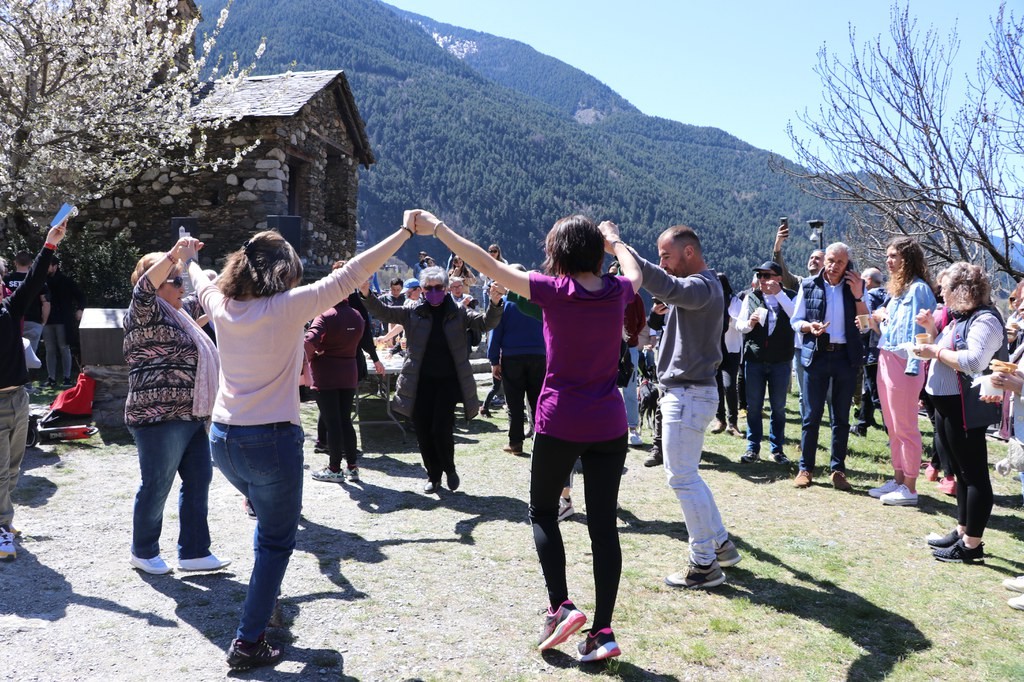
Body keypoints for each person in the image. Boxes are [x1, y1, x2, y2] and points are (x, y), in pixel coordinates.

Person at [183, 221, 415, 671]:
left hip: (223, 439)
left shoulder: (222, 304)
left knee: (266, 521)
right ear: (282, 273)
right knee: (276, 540)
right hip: (270, 440)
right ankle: (249, 641)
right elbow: (352, 273)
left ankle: (264, 599)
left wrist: (188, 257)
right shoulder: (288, 307)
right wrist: (404, 232)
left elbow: (200, 280)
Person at [423, 210, 638, 662]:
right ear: (595, 252)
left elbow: (486, 264)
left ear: (557, 252)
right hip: (609, 424)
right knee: (604, 527)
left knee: (542, 512)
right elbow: (635, 272)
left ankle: (561, 606)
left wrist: (439, 229)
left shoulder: (552, 290)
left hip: (561, 422)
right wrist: (615, 240)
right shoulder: (618, 290)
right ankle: (603, 632)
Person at [605, 222, 741, 590]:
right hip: (691, 393)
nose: (663, 262)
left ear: (689, 252)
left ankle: (704, 564)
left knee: (682, 478)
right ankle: (721, 545)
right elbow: (659, 276)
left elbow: (662, 282)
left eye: (667, 255)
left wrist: (617, 243)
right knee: (689, 476)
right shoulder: (706, 285)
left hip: (687, 394)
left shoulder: (700, 287)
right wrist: (620, 247)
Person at [123, 243, 230, 576]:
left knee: (199, 479)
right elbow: (144, 288)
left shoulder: (179, 311)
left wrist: (240, 265)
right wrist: (174, 255)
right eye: (175, 280)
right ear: (157, 284)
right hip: (159, 416)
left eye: (182, 280)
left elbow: (211, 293)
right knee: (157, 484)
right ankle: (143, 551)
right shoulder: (144, 310)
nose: (183, 287)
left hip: (191, 414)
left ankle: (194, 552)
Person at [363, 265, 503, 493]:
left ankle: (449, 468)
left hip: (448, 382)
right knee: (423, 430)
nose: (434, 292)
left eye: (438, 287)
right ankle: (433, 476)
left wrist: (495, 304)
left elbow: (485, 322)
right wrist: (366, 294)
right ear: (422, 289)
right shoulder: (412, 311)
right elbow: (384, 312)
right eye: (429, 288)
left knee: (441, 428)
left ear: (446, 288)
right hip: (419, 382)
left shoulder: (459, 312)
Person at [915, 262, 1007, 563]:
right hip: (948, 405)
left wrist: (935, 352)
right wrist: (932, 334)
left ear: (963, 290)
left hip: (965, 407)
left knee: (974, 474)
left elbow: (974, 362)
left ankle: (971, 545)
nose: (941, 294)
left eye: (945, 289)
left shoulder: (986, 320)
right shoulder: (963, 317)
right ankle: (962, 530)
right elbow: (949, 350)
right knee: (962, 474)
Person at [0, 220, 67, 560]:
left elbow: (34, 280)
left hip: (19, 399)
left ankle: (2, 519)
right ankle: (1, 526)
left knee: (13, 469)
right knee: (0, 472)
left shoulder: (8, 309)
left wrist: (50, 244)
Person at [790, 242, 868, 491]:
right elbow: (795, 320)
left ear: (847, 265)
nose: (834, 266)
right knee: (811, 415)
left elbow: (866, 325)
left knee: (841, 418)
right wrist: (808, 327)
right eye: (831, 260)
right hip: (817, 355)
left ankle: (838, 470)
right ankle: (806, 469)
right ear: (825, 261)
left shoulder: (856, 286)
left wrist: (858, 295)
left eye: (840, 262)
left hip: (846, 357)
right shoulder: (808, 284)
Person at [867, 238, 937, 506]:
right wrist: (881, 319)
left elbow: (920, 332)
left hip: (904, 361)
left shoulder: (919, 289)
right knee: (892, 425)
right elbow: (894, 331)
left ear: (908, 258)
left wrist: (912, 366)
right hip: (887, 356)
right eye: (888, 255)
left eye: (894, 255)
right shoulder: (899, 290)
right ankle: (898, 480)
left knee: (905, 426)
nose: (888, 260)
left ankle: (910, 486)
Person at [305, 274, 367, 484]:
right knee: (346, 421)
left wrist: (312, 356)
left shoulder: (325, 315)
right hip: (349, 372)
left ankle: (334, 469)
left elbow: (309, 341)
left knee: (332, 423)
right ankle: (352, 467)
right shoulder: (357, 316)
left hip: (326, 375)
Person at [736, 261, 795, 465]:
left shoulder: (790, 296)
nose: (762, 280)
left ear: (778, 278)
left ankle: (777, 449)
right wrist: (749, 323)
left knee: (778, 407)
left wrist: (779, 294)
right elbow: (739, 325)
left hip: (781, 360)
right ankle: (753, 448)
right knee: (753, 406)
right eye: (759, 276)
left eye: (766, 275)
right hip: (755, 359)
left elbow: (796, 316)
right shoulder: (751, 297)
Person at [488, 266, 545, 455]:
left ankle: (515, 443)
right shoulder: (541, 301)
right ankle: (541, 442)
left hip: (512, 358)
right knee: (538, 401)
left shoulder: (505, 302)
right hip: (540, 356)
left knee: (514, 402)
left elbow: (495, 332)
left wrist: (494, 360)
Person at [852, 268, 887, 436]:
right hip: (886, 351)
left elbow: (865, 325)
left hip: (871, 352)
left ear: (867, 281)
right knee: (869, 389)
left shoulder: (870, 297)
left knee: (877, 395)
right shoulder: (889, 297)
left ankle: (892, 434)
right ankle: (862, 425)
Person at [41, 256, 85, 387]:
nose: (45, 268)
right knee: (50, 349)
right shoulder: (42, 281)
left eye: (48, 265)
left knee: (64, 348)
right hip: (46, 320)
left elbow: (81, 296)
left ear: (55, 266)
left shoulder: (66, 281)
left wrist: (80, 309)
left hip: (63, 320)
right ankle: (51, 378)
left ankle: (67, 378)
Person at [711, 272, 743, 438]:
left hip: (731, 349)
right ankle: (720, 419)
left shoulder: (736, 301)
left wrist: (727, 318)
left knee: (729, 386)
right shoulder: (712, 300)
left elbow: (740, 322)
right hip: (715, 348)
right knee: (716, 385)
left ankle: (733, 423)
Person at [4, 250, 51, 363]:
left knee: (9, 358)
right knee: (28, 361)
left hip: (11, 322)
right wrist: (43, 321)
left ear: (15, 262)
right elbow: (46, 303)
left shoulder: (6, 280)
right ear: (31, 263)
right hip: (33, 321)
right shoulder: (37, 281)